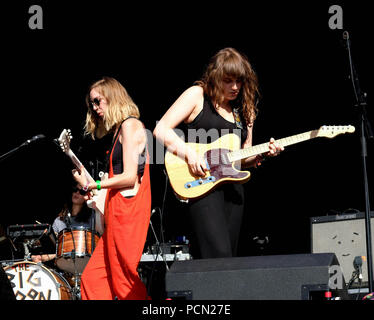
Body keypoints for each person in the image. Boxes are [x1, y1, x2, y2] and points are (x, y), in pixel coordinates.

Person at [153, 47, 284, 259]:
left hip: (233, 191)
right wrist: (190, 154)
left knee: (226, 262)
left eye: (239, 81)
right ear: (215, 76)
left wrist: (263, 154)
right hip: (203, 186)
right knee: (218, 256)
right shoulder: (197, 95)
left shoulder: (244, 110)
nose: (235, 87)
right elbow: (161, 130)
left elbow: (242, 158)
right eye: (228, 80)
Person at [73, 76, 151, 300]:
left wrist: (96, 183)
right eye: (92, 104)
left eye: (98, 101)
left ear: (113, 96)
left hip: (129, 210)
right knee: (93, 279)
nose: (95, 108)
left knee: (123, 279)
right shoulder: (119, 130)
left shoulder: (130, 125)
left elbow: (129, 178)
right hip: (116, 208)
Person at [31, 183, 100, 264]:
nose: (77, 193)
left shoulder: (93, 217)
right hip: (65, 265)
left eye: (81, 191)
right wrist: (43, 257)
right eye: (75, 190)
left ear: (87, 196)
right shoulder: (59, 220)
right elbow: (57, 249)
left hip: (87, 262)